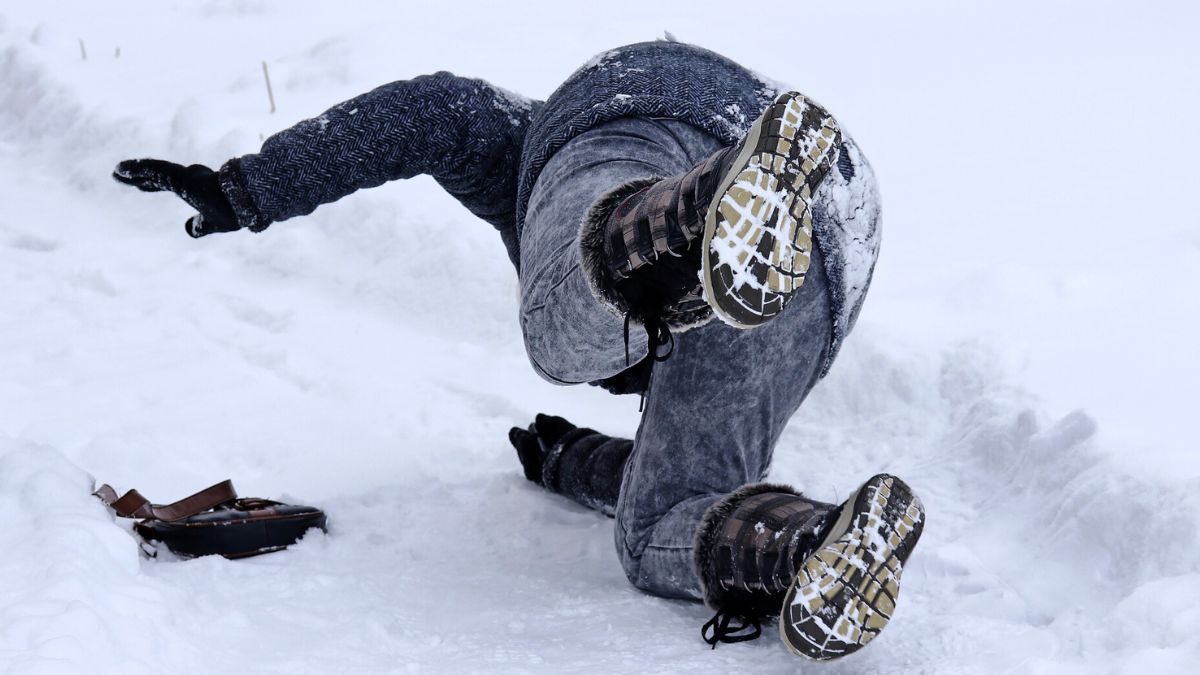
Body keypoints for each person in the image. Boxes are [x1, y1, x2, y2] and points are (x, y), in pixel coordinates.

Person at [113, 39, 925, 661]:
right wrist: (570, 461)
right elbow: (649, 471)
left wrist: (250, 187)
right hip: (837, 226)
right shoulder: (736, 287)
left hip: (636, 105)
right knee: (658, 525)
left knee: (562, 335)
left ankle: (693, 210)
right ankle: (812, 548)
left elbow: (436, 112)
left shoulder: (522, 143)